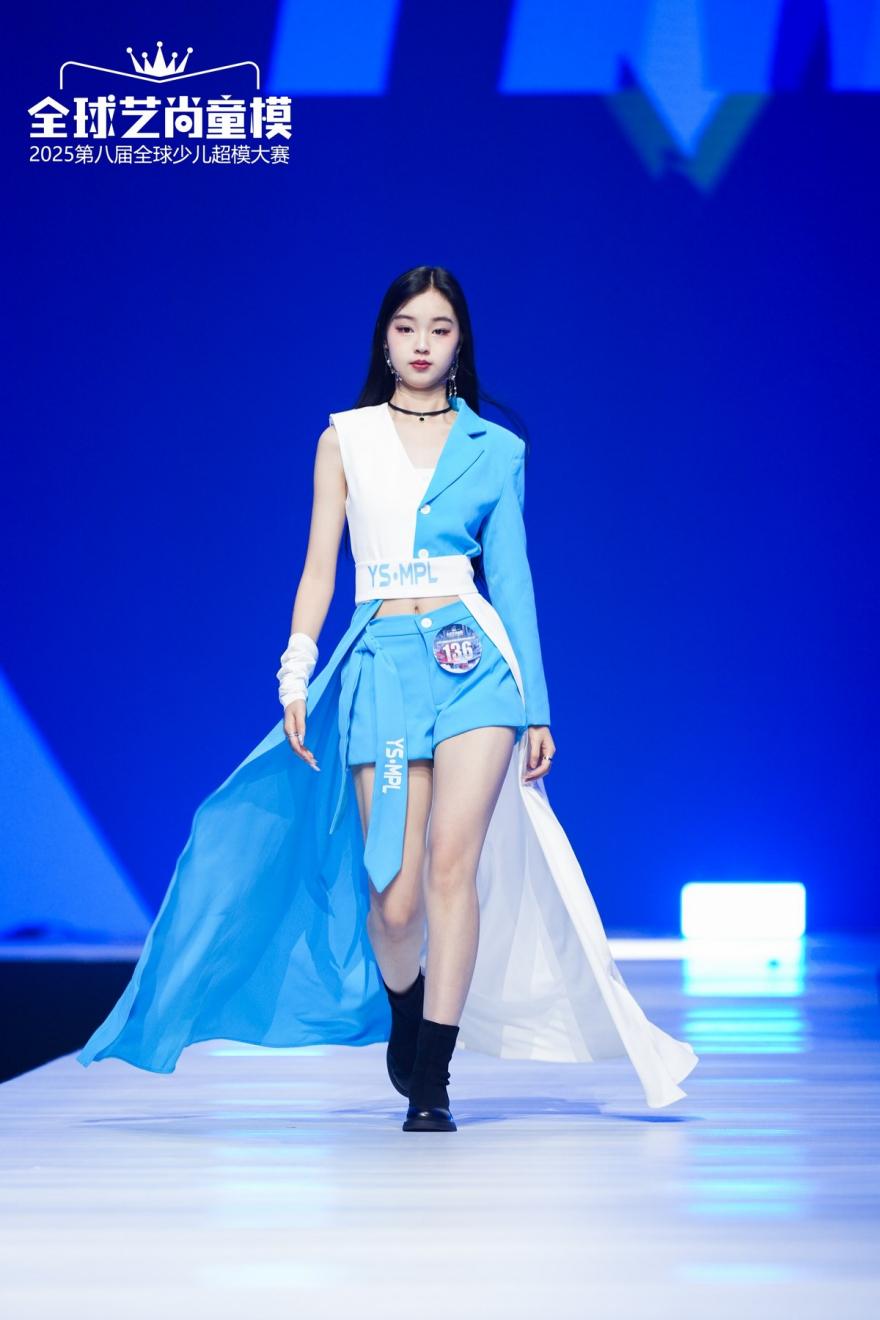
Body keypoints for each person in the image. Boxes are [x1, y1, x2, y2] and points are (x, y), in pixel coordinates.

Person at [78, 266, 699, 1132]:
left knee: (452, 864)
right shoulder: (346, 439)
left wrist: (538, 707)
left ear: (460, 342)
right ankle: (406, 1010)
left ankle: (433, 1077)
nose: (421, 344)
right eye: (407, 327)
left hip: (477, 667)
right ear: (385, 339)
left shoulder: (497, 450)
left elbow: (514, 582)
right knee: (395, 900)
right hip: (383, 666)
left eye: (439, 329)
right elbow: (318, 570)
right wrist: (296, 671)